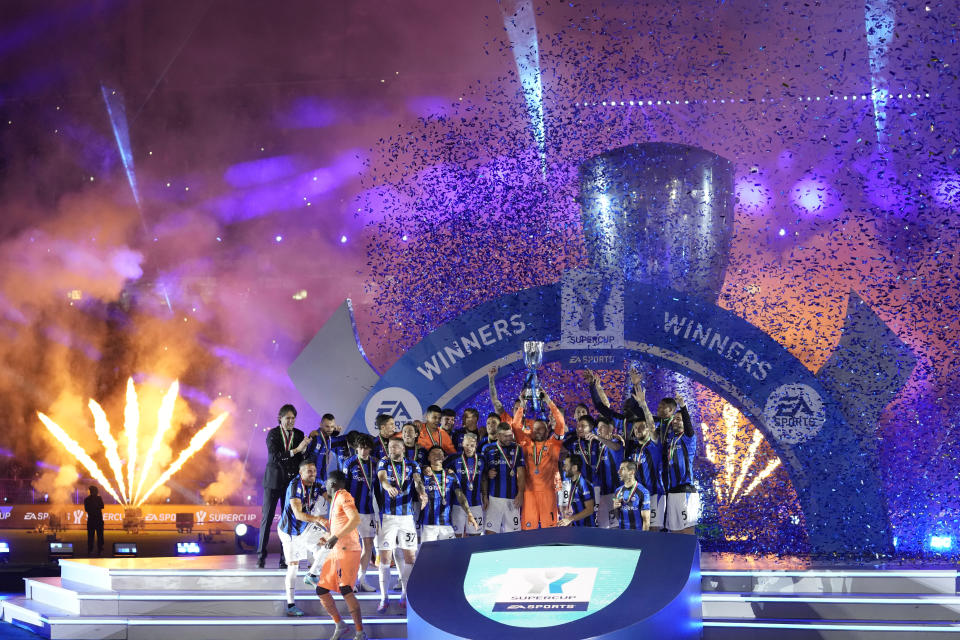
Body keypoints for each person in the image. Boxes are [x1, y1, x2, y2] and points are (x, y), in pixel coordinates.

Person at [308, 470, 367, 640]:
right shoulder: (336, 499)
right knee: (321, 589)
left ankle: (360, 633)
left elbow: (355, 519)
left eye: (327, 482)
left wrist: (335, 536)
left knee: (345, 589)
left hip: (348, 550)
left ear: (332, 483)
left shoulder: (343, 495)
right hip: (337, 550)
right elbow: (342, 525)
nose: (325, 484)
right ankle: (340, 625)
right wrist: (328, 536)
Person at [376, 437, 427, 612]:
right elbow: (382, 478)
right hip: (387, 518)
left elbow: (418, 480)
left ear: (403, 448)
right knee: (384, 559)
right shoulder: (383, 462)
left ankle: (405, 595)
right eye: (390, 446)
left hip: (406, 518)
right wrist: (387, 486)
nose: (392, 449)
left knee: (410, 558)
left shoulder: (412, 464)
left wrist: (422, 493)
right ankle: (384, 598)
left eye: (396, 446)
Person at [259, 404, 312, 569]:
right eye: (287, 418)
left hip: (290, 484)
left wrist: (304, 451)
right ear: (280, 419)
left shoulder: (299, 434)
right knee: (267, 519)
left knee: (288, 520)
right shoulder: (273, 434)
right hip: (273, 482)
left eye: (293, 418)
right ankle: (261, 556)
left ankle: (285, 558)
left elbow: (301, 459)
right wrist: (297, 450)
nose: (290, 421)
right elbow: (275, 457)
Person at [276, 459, 329, 616]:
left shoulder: (318, 483)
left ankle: (312, 574)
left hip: (306, 527)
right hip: (290, 531)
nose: (313, 474)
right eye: (309, 471)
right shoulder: (294, 486)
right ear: (301, 473)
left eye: (314, 470)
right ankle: (291, 605)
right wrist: (319, 519)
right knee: (293, 567)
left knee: (331, 541)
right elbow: (298, 515)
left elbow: (330, 498)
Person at [509, 390, 566, 530]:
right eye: (535, 429)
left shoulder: (554, 444)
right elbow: (516, 426)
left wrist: (548, 401)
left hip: (548, 493)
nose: (537, 431)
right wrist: (522, 405)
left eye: (541, 429)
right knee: (528, 531)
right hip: (529, 493)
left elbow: (560, 423)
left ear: (547, 431)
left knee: (550, 530)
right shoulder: (526, 443)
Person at [341, 434, 379, 592]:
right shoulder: (349, 463)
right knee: (351, 547)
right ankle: (349, 580)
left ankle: (361, 579)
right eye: (361, 448)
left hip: (369, 511)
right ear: (356, 448)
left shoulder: (376, 463)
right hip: (353, 512)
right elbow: (343, 488)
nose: (364, 451)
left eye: (367, 448)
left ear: (370, 448)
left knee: (368, 545)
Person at [420, 446, 478, 542]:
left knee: (450, 555)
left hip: (446, 524)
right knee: (428, 555)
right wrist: (423, 468)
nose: (437, 456)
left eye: (440, 453)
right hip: (428, 525)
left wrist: (469, 513)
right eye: (433, 453)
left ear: (444, 457)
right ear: (428, 457)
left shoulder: (451, 475)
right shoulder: (423, 474)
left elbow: (460, 495)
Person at [662, 394, 699, 534]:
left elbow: (689, 427)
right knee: (674, 530)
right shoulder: (671, 440)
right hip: (672, 492)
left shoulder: (689, 439)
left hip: (686, 491)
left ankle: (694, 557)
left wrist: (683, 406)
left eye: (679, 419)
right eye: (674, 420)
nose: (675, 422)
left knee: (687, 531)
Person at [481, 422, 526, 534]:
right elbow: (481, 473)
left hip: (512, 497)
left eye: (510, 435)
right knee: (490, 532)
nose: (509, 438)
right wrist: (485, 495)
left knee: (514, 533)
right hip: (493, 498)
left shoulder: (517, 448)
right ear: (498, 435)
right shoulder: (487, 449)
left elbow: (521, 472)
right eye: (505, 436)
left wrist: (520, 493)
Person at [626, 409, 664, 530]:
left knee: (653, 532)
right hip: (639, 497)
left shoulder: (654, 445)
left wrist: (642, 404)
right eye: (635, 427)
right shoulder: (634, 450)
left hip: (654, 493)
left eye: (642, 426)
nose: (637, 430)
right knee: (640, 532)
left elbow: (653, 428)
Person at [445, 432, 485, 537]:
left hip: (476, 504)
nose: (469, 448)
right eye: (466, 445)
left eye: (472, 445)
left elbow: (485, 478)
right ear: (462, 444)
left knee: (475, 536)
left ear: (476, 445)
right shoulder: (453, 458)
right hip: (457, 504)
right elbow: (440, 469)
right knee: (456, 536)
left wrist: (485, 496)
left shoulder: (482, 459)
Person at [592, 417, 625, 529]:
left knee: (615, 526)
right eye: (598, 428)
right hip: (603, 493)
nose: (599, 430)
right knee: (602, 527)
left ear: (610, 428)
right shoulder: (599, 446)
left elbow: (616, 447)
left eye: (602, 427)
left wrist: (598, 438)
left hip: (616, 492)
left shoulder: (616, 441)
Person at [307, 413, 350, 479]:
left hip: (323, 477)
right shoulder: (315, 436)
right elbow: (306, 456)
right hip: (311, 477)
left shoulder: (330, 438)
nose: (330, 429)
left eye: (332, 426)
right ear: (321, 424)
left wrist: (336, 433)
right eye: (327, 426)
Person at [613, 460, 651, 530]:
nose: (619, 472)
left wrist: (644, 538)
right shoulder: (618, 491)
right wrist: (615, 508)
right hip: (622, 534)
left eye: (622, 469)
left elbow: (646, 521)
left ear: (632, 472)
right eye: (619, 469)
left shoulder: (643, 492)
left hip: (637, 536)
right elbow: (618, 517)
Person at [559, 455, 596, 527]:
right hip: (574, 527)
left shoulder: (584, 484)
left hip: (587, 528)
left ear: (574, 468)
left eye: (566, 466)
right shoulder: (568, 483)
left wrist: (570, 519)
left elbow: (590, 509)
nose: (563, 468)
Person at [83, 486, 104, 555]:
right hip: (98, 519)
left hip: (91, 520)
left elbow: (86, 509)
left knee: (91, 536)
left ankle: (90, 550)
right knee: (99, 535)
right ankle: (99, 549)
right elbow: (102, 506)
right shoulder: (98, 498)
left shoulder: (87, 499)